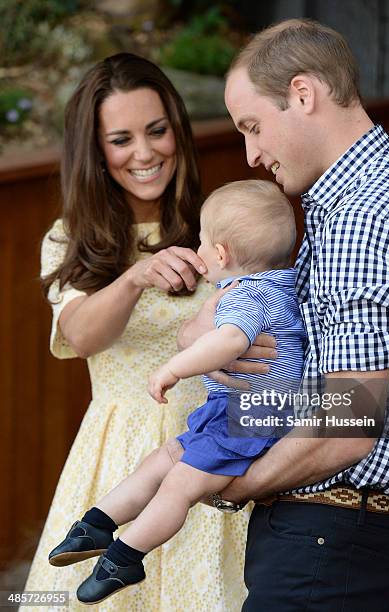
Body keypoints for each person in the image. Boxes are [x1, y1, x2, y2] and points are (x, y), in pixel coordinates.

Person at [178, 19, 389, 611]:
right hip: (330, 538)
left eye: (253, 127)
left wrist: (220, 481)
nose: (252, 154)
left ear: (303, 95)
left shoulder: (364, 219)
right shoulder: (360, 203)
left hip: (330, 537)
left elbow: (350, 417)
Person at [23, 53, 271, 612]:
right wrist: (135, 276)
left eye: (157, 131)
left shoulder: (225, 225)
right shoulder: (68, 240)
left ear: (178, 132)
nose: (144, 153)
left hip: (217, 445)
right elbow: (80, 336)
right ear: (95, 151)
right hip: (117, 457)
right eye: (121, 139)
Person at [47, 179, 305, 605]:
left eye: (203, 242)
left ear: (220, 253)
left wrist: (171, 368)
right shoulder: (278, 285)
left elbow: (228, 343)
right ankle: (97, 522)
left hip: (251, 418)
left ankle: (126, 556)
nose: (200, 250)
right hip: (235, 414)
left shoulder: (249, 295)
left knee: (178, 485)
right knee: (162, 460)